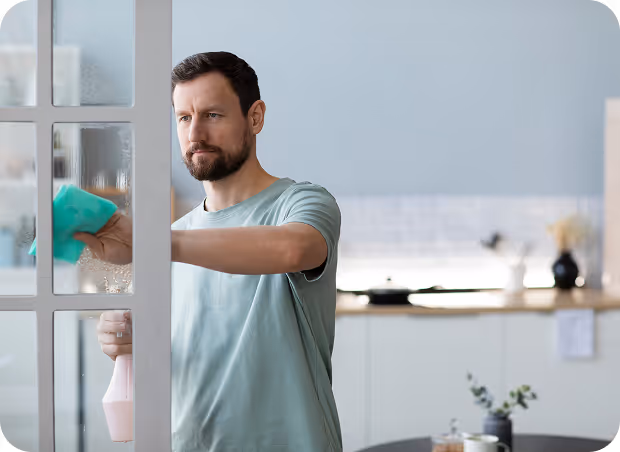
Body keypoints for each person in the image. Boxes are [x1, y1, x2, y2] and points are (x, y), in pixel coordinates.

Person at [76, 51, 343, 452]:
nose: (194, 133)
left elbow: (293, 249)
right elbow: (175, 354)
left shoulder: (303, 203)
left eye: (212, 115)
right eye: (184, 117)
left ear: (255, 117)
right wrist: (123, 341)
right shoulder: (173, 238)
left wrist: (154, 244)